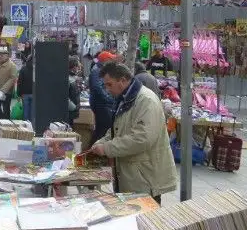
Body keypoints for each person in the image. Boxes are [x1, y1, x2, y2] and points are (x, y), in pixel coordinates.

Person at [90, 62, 177, 203]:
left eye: (109, 84)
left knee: (145, 221)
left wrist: (107, 148)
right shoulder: (125, 99)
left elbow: (142, 138)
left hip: (145, 179)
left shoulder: (146, 100)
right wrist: (102, 142)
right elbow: (117, 128)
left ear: (123, 80)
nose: (106, 90)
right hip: (131, 176)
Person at [89, 51, 118, 146]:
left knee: (101, 130)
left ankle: (92, 151)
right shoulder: (97, 71)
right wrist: (109, 99)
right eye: (111, 59)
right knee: (102, 130)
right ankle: (92, 151)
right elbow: (97, 88)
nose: (113, 61)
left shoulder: (101, 70)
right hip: (102, 105)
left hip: (103, 104)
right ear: (106, 61)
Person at [0, 46, 18, 122]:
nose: (0, 56)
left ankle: (6, 123)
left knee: (6, 108)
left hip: (6, 92)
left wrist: (3, 90)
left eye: (2, 55)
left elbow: (12, 78)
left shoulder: (12, 66)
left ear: (7, 56)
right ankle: (2, 120)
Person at [68, 58, 82, 125]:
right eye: (78, 66)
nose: (79, 69)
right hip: (69, 111)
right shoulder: (68, 79)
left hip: (71, 111)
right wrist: (74, 107)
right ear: (74, 67)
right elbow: (64, 96)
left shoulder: (73, 78)